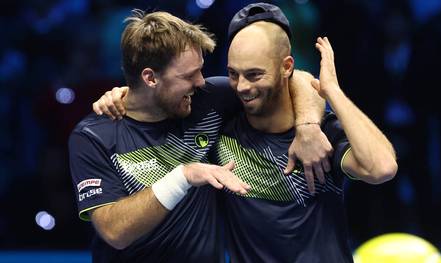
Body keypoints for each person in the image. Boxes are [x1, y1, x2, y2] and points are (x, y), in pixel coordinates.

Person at [70, 8, 331, 263]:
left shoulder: (207, 100)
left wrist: (308, 126)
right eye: (188, 75)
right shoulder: (93, 136)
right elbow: (114, 231)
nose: (200, 82)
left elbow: (295, 79)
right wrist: (184, 176)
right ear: (150, 78)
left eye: (200, 70)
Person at [214, 4, 397, 262]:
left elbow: (381, 168)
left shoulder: (323, 134)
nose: (242, 87)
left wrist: (332, 91)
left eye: (255, 75)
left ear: (286, 66)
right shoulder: (220, 122)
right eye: (233, 74)